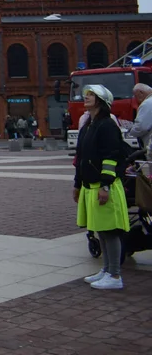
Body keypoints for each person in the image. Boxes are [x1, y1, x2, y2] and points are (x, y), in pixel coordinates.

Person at [74, 85, 130, 290]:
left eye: (90, 95)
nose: (86, 97)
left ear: (100, 100)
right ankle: (106, 269)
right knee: (101, 230)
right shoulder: (90, 124)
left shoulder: (106, 125)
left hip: (104, 186)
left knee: (110, 231)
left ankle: (115, 275)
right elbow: (80, 157)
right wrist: (77, 183)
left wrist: (105, 185)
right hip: (91, 186)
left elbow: (110, 157)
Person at [131, 84, 152, 156]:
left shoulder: (147, 104)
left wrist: (131, 131)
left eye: (135, 96)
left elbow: (141, 127)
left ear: (141, 93)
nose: (136, 99)